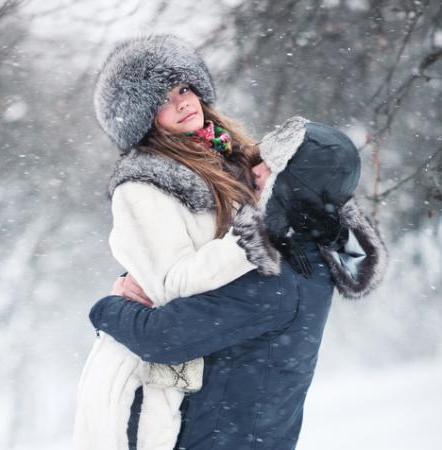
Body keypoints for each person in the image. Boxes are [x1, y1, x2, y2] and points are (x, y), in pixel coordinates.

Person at [91, 116, 388, 449]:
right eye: (262, 160)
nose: (257, 171)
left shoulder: (276, 279)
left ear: (296, 188)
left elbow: (162, 337)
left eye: (273, 169)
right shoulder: (310, 251)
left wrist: (110, 307)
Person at [73, 34, 282, 450]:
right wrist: (256, 231)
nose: (183, 102)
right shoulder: (143, 185)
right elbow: (176, 281)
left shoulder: (227, 157)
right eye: (163, 100)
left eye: (184, 88)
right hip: (146, 379)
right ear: (142, 119)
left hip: (202, 360)